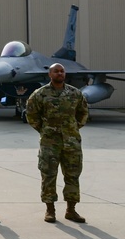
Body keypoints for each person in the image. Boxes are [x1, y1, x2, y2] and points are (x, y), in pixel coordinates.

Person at [25, 63, 89, 224]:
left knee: (73, 176)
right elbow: (32, 115)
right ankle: (50, 210)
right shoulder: (40, 94)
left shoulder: (75, 93)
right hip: (50, 143)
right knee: (48, 176)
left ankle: (71, 210)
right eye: (56, 71)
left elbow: (83, 113)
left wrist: (73, 128)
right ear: (50, 74)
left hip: (72, 143)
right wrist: (45, 129)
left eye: (62, 71)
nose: (60, 73)